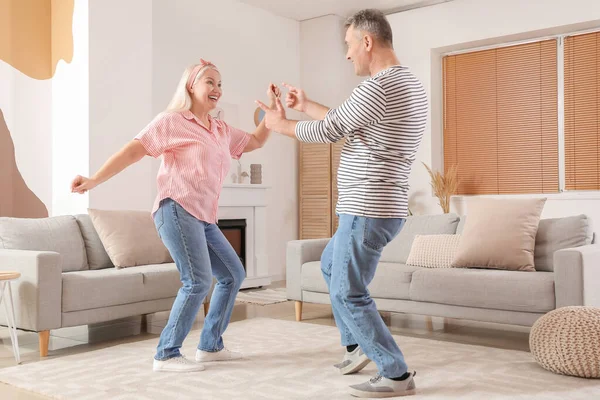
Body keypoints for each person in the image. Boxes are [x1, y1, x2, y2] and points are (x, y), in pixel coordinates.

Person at [256, 9, 427, 398]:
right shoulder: (408, 84)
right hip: (384, 207)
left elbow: (330, 130)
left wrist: (277, 123)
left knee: (348, 291)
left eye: (349, 45)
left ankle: (396, 374)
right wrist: (306, 104)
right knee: (333, 265)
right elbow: (344, 120)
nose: (347, 55)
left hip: (367, 208)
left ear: (367, 42)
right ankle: (356, 347)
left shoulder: (377, 87)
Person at [72, 59, 280, 373]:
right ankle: (166, 353)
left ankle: (210, 346)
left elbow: (255, 141)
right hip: (176, 208)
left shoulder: (220, 129)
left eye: (220, 84)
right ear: (190, 86)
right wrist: (94, 180)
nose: (217, 90)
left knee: (232, 274)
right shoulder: (172, 121)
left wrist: (272, 117)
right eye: (210, 82)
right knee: (197, 281)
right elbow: (134, 150)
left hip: (204, 217)